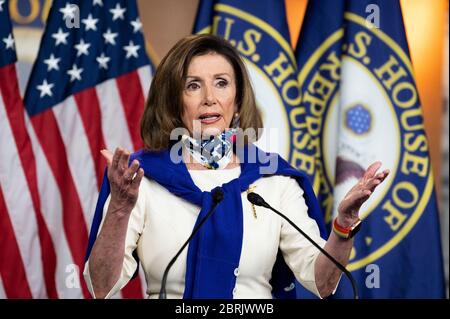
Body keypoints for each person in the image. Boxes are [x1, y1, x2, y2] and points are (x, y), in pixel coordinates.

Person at [83, 34, 389, 299]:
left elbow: (322, 281)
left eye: (221, 83)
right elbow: (101, 286)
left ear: (238, 99)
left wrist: (344, 225)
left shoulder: (273, 179)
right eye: (193, 85)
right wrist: (120, 211)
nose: (209, 98)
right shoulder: (140, 181)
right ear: (173, 101)